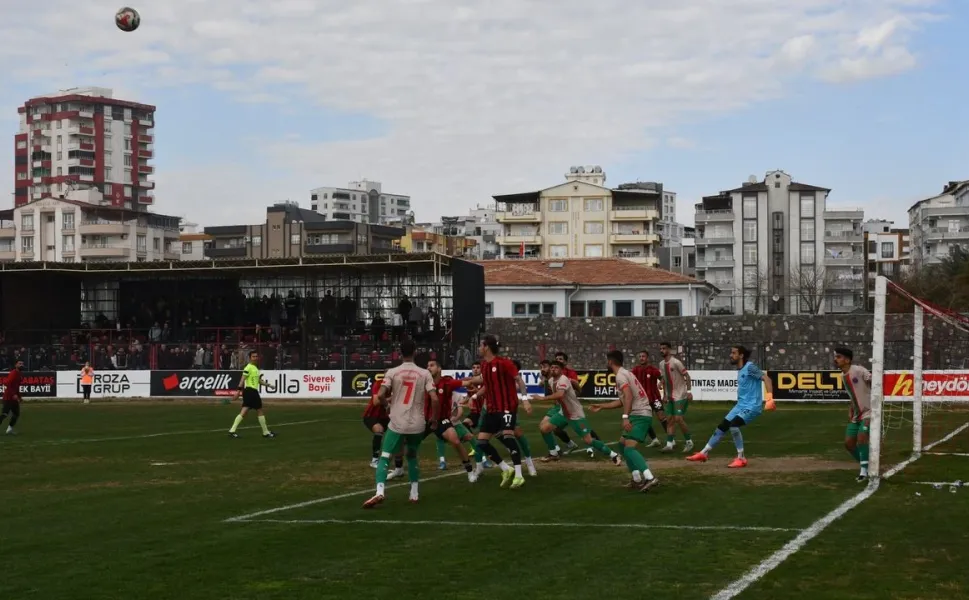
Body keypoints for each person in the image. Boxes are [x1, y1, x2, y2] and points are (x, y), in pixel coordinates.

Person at [364, 340, 439, 508]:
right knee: (412, 456)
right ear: (415, 353)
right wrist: (434, 419)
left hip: (398, 421)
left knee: (385, 456)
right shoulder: (424, 373)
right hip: (417, 423)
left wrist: (387, 405)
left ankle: (380, 492)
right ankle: (414, 493)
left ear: (400, 353)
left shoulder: (392, 372)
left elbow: (381, 395)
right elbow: (434, 398)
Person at [687, 345, 775, 467]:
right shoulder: (740, 370)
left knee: (734, 425)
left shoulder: (750, 367)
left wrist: (769, 398)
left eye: (734, 353)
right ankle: (704, 453)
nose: (731, 355)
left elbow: (767, 379)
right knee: (722, 427)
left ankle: (741, 458)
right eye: (731, 353)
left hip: (752, 406)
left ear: (741, 355)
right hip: (740, 406)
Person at [461, 334, 527, 489]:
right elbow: (487, 384)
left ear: (486, 347)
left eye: (480, 345)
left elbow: (519, 380)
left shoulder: (504, 363)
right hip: (492, 408)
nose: (478, 348)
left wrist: (525, 399)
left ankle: (519, 475)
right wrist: (475, 394)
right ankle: (506, 468)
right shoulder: (484, 365)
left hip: (507, 407)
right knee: (481, 442)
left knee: (508, 436)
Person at [590, 351, 660, 491]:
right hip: (639, 413)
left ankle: (650, 478)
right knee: (622, 445)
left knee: (629, 448)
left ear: (610, 362)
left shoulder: (621, 376)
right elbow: (623, 400)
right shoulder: (625, 373)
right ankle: (636, 479)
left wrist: (625, 417)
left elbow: (628, 397)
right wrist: (602, 406)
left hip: (639, 414)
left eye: (607, 361)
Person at [534, 360, 623, 466]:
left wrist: (542, 398)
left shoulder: (563, 379)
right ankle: (553, 453)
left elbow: (560, 394)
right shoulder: (551, 380)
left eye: (556, 367)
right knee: (544, 429)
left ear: (561, 370)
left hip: (575, 414)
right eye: (552, 367)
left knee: (589, 440)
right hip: (563, 413)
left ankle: (614, 455)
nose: (553, 369)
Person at [426, 358, 477, 482]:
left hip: (441, 420)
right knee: (407, 442)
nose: (428, 368)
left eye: (432, 365)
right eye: (427, 366)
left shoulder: (447, 382)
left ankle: (470, 471)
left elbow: (465, 383)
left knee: (455, 441)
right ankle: (398, 468)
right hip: (424, 420)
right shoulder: (424, 382)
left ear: (439, 369)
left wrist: (473, 382)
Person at [834, 347, 873, 482]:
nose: (836, 359)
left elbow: (873, 382)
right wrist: (851, 407)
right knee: (849, 444)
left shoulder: (858, 370)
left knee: (862, 437)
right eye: (836, 357)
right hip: (856, 415)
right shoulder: (842, 376)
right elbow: (853, 394)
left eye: (838, 357)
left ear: (847, 359)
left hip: (869, 411)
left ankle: (864, 471)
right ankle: (868, 464)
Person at [228, 351, 276, 439]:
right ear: (250, 358)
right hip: (250, 391)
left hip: (251, 392)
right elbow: (242, 379)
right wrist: (238, 391)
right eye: (253, 356)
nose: (255, 358)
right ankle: (265, 432)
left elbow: (258, 381)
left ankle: (232, 430)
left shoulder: (255, 368)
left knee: (246, 411)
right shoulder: (248, 367)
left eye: (256, 356)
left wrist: (269, 385)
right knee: (258, 410)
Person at [658, 342, 694, 453]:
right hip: (669, 396)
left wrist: (689, 391)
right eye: (661, 349)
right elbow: (664, 379)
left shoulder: (676, 362)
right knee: (669, 420)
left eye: (664, 348)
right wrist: (663, 393)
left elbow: (687, 376)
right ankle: (669, 444)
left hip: (680, 395)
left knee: (678, 419)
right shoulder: (661, 364)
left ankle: (689, 442)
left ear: (669, 350)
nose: (662, 350)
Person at [631, 350, 668, 447]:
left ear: (647, 358)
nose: (641, 358)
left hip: (655, 398)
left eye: (643, 356)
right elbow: (630, 381)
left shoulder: (653, 370)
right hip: (643, 401)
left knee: (661, 416)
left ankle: (670, 439)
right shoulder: (635, 370)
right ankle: (655, 440)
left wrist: (663, 388)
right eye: (640, 356)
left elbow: (663, 380)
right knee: (645, 420)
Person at [0, 361, 24, 435]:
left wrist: (19, 396)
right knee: (5, 414)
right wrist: (14, 394)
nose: (21, 365)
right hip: (8, 397)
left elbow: (16, 387)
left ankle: (9, 429)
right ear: (15, 365)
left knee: (16, 414)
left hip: (13, 398)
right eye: (19, 364)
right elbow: (7, 383)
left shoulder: (19, 375)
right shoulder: (13, 373)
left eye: (22, 364)